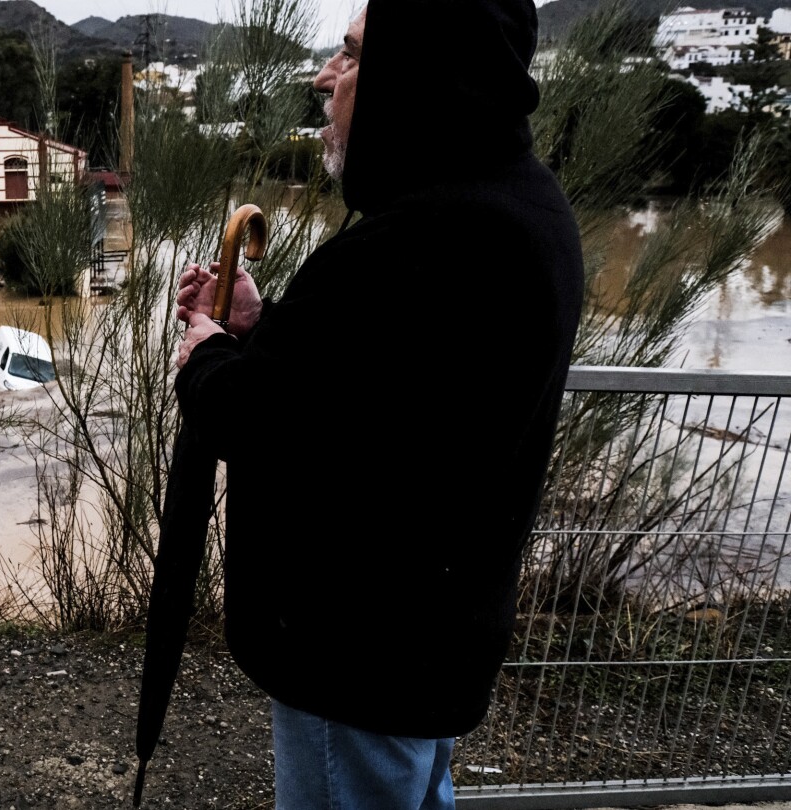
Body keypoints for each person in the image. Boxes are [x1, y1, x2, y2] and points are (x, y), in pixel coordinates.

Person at [172, 0, 585, 807]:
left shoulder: (419, 241)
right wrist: (261, 326)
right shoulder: (517, 206)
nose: (325, 76)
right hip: (428, 637)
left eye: (352, 56)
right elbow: (373, 397)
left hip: (356, 655)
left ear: (418, 75)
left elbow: (256, 418)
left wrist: (205, 353)